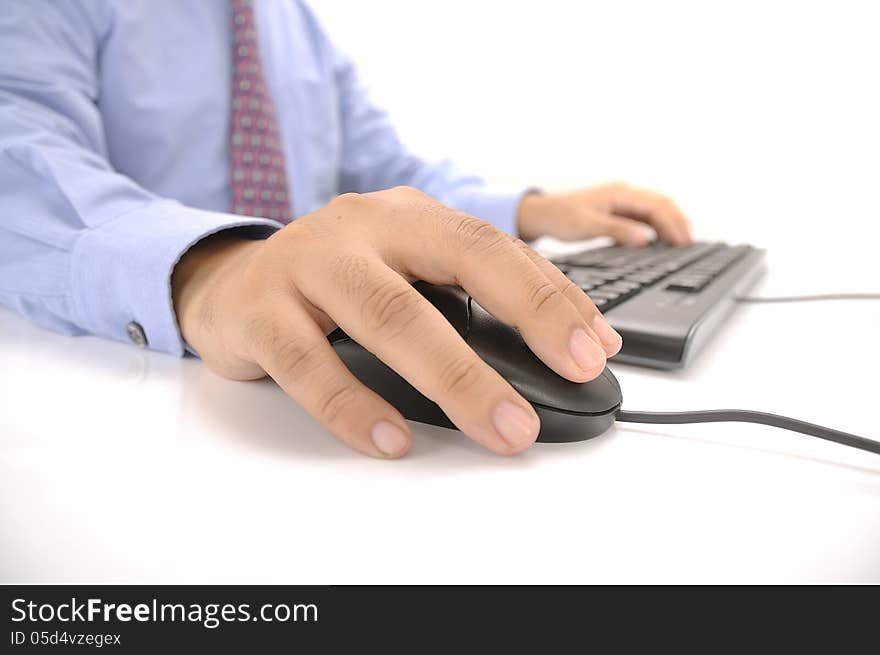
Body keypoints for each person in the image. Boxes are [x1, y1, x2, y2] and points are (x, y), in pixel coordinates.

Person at [0, 0, 691, 459]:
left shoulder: (290, 19)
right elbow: (20, 163)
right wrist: (211, 267)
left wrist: (532, 209)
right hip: (140, 408)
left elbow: (380, 168)